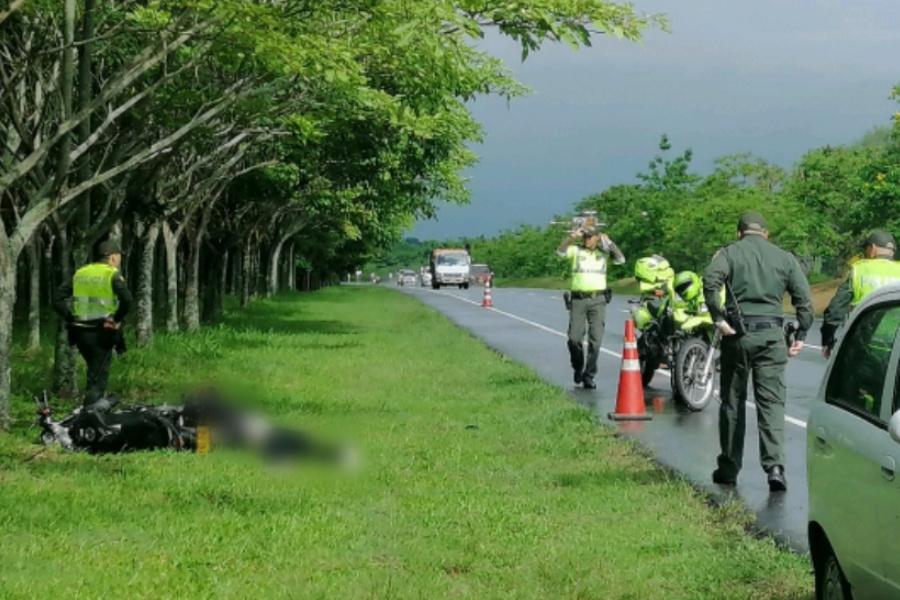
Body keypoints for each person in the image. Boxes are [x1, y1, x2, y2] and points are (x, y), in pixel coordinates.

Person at [702, 211, 813, 492]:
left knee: (732, 402)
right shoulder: (784, 258)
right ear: (766, 233)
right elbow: (804, 299)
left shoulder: (729, 253)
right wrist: (801, 333)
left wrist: (718, 317)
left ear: (739, 233)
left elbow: (710, 280)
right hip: (772, 337)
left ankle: (729, 468)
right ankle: (775, 467)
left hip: (737, 336)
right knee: (772, 403)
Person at [53, 240, 132, 405]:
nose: (119, 260)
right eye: (119, 257)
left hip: (80, 333)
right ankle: (91, 412)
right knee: (98, 379)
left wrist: (71, 318)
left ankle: (92, 408)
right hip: (102, 331)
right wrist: (115, 319)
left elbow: (57, 298)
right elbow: (127, 301)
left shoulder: (80, 273)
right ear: (112, 257)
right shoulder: (112, 275)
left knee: (93, 372)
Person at [557, 225, 626, 389]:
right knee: (574, 338)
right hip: (578, 299)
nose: (587, 239)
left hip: (598, 299)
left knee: (596, 341)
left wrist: (609, 243)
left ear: (597, 237)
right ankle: (578, 366)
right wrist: (571, 237)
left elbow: (621, 260)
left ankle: (589, 375)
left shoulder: (603, 253)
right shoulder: (576, 251)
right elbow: (560, 252)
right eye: (585, 237)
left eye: (590, 236)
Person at [821, 230, 900, 357]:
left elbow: (835, 310)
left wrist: (827, 340)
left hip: (864, 345)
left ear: (872, 248)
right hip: (895, 347)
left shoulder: (860, 270)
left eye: (866, 248)